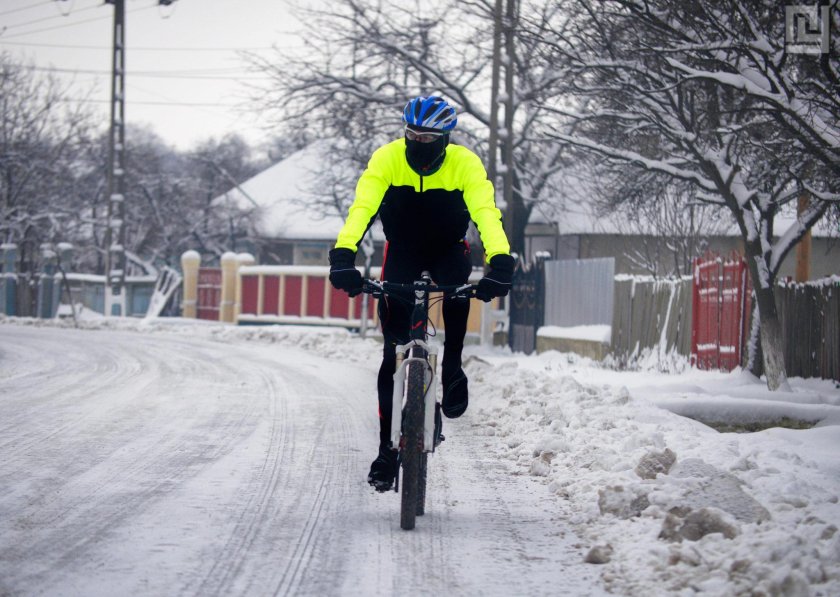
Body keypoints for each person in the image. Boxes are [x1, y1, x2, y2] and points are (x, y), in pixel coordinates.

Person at [328, 95, 514, 491]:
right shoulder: (387, 158)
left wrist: (500, 261)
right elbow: (362, 208)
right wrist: (343, 255)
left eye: (427, 137)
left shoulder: (465, 163)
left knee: (457, 291)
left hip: (449, 248)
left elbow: (486, 213)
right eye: (411, 135)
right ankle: (386, 450)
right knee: (390, 350)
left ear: (445, 138)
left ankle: (453, 367)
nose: (418, 143)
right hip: (403, 251)